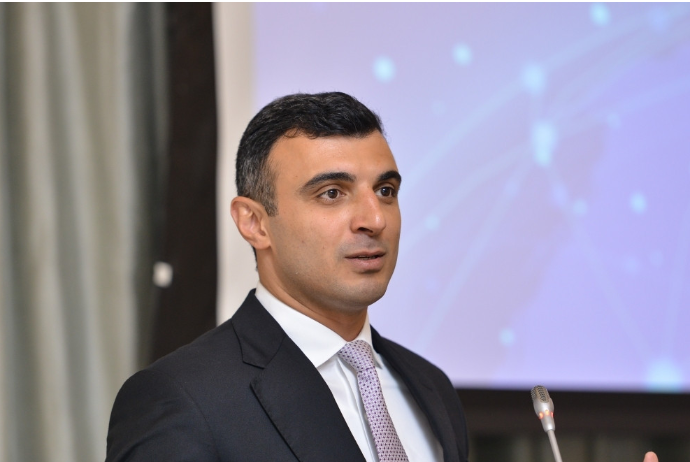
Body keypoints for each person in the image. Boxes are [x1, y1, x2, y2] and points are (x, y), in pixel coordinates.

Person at [105, 92, 659, 462]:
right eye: (332, 193)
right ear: (254, 223)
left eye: (386, 191)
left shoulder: (429, 388)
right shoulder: (182, 399)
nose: (374, 219)